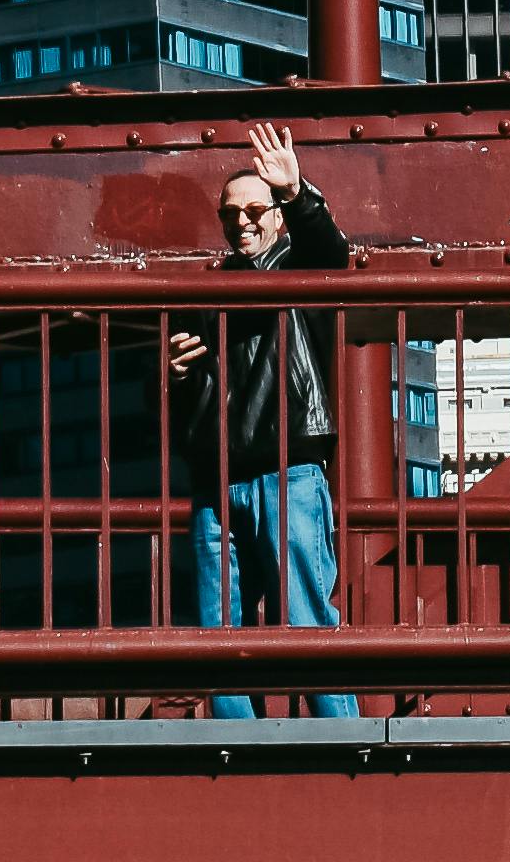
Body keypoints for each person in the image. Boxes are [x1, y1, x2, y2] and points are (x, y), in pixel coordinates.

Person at [164, 122, 355, 716]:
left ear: (275, 216)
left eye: (253, 208)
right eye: (229, 214)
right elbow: (177, 403)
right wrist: (169, 375)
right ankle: (239, 762)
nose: (240, 221)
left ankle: (345, 757)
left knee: (306, 623)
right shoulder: (206, 292)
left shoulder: (298, 267)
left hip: (288, 469)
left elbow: (332, 252)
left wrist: (297, 191)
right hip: (216, 481)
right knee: (222, 640)